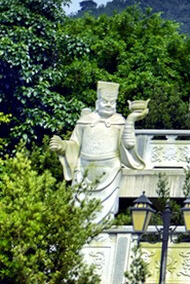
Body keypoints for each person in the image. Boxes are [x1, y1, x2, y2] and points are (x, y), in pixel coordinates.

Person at [49, 81, 147, 225]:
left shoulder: (119, 121)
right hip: (83, 170)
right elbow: (74, 144)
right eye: (105, 101)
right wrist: (62, 146)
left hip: (110, 172)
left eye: (112, 102)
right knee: (79, 210)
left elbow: (129, 144)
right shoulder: (85, 121)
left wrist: (131, 120)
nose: (108, 105)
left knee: (105, 211)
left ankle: (102, 235)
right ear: (97, 102)